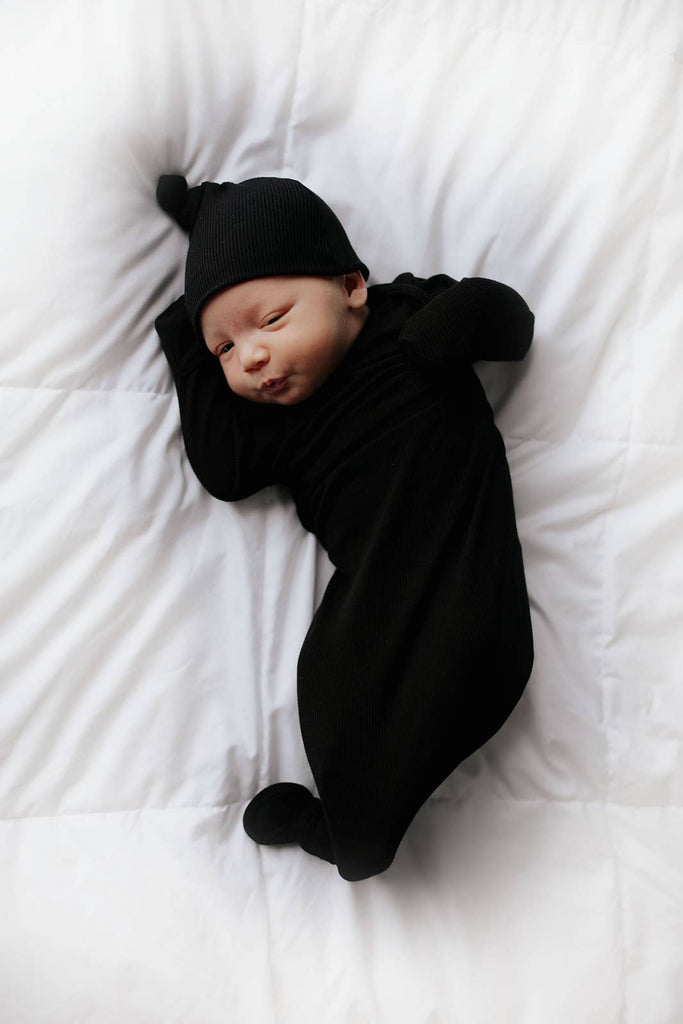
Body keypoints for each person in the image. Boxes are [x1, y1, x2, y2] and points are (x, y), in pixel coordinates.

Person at [154, 173, 535, 882]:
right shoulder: (277, 422)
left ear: (352, 286)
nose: (252, 358)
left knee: (454, 676)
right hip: (374, 603)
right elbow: (220, 469)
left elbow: (513, 327)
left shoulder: (407, 313)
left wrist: (461, 315)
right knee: (331, 686)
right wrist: (185, 339)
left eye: (268, 322)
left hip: (481, 597)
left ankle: (355, 826)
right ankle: (350, 831)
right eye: (224, 352)